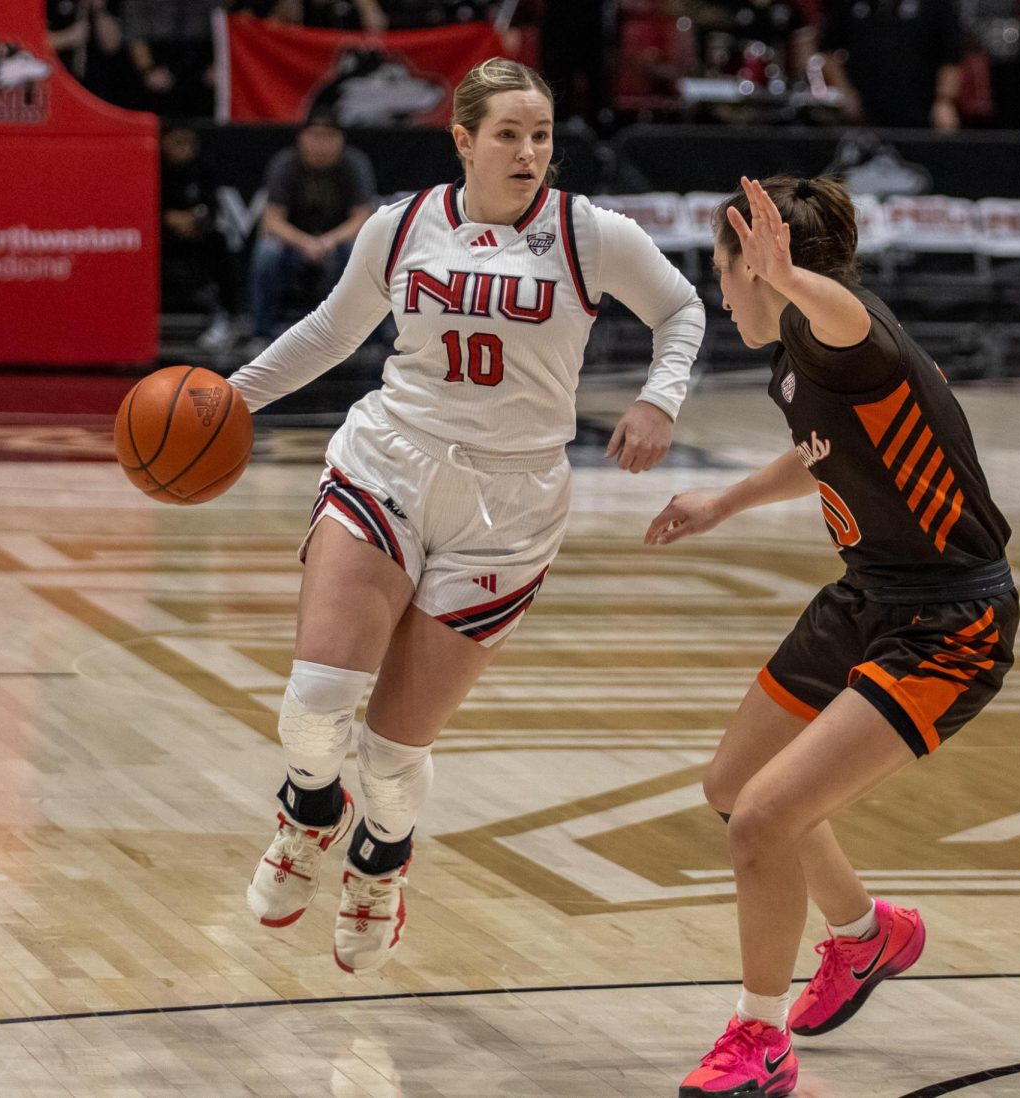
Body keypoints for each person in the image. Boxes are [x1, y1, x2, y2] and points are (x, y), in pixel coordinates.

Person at [228, 58, 705, 974]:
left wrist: (660, 399)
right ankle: (306, 813)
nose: (530, 153)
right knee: (315, 704)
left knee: (393, 750)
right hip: (388, 464)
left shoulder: (590, 234)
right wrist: (230, 396)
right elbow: (334, 332)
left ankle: (381, 861)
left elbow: (681, 310)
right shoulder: (400, 225)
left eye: (542, 137)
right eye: (509, 136)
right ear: (463, 141)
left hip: (512, 502)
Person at [645, 176, 1016, 1097]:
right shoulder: (793, 362)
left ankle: (759, 1040)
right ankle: (864, 936)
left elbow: (848, 319)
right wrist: (724, 501)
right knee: (734, 787)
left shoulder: (840, 337)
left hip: (949, 621)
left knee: (768, 818)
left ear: (765, 269)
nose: (719, 292)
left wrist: (794, 280)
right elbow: (820, 453)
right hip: (867, 596)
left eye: (724, 272)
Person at [245, 113, 377, 355]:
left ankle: (360, 336)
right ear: (301, 138)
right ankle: (261, 333)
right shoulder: (285, 163)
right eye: (315, 136)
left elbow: (362, 217)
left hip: (337, 242)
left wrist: (329, 240)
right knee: (266, 253)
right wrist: (305, 242)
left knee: (364, 252)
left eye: (328, 137)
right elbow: (272, 220)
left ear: (340, 140)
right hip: (294, 242)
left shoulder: (354, 163)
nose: (321, 144)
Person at [160, 125, 243, 351]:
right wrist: (167, 219)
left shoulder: (203, 167)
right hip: (156, 234)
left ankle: (226, 317)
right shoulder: (151, 165)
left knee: (220, 242)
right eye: (178, 143)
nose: (184, 150)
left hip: (195, 233)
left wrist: (193, 220)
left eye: (189, 144)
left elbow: (211, 207)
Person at [819, 0, 964, 130]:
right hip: (863, 116)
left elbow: (951, 56)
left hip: (919, 113)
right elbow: (827, 50)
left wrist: (944, 101)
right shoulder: (848, 4)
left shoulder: (934, 5)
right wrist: (845, 92)